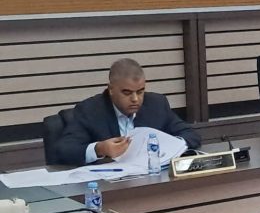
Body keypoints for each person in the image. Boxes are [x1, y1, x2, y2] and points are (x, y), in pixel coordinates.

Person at [55, 58, 201, 166]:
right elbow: (64, 150)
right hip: (110, 186)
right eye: (127, 92)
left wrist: (169, 145)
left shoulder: (157, 104)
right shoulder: (90, 110)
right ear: (111, 89)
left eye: (140, 92)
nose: (135, 99)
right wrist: (99, 149)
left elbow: (191, 135)